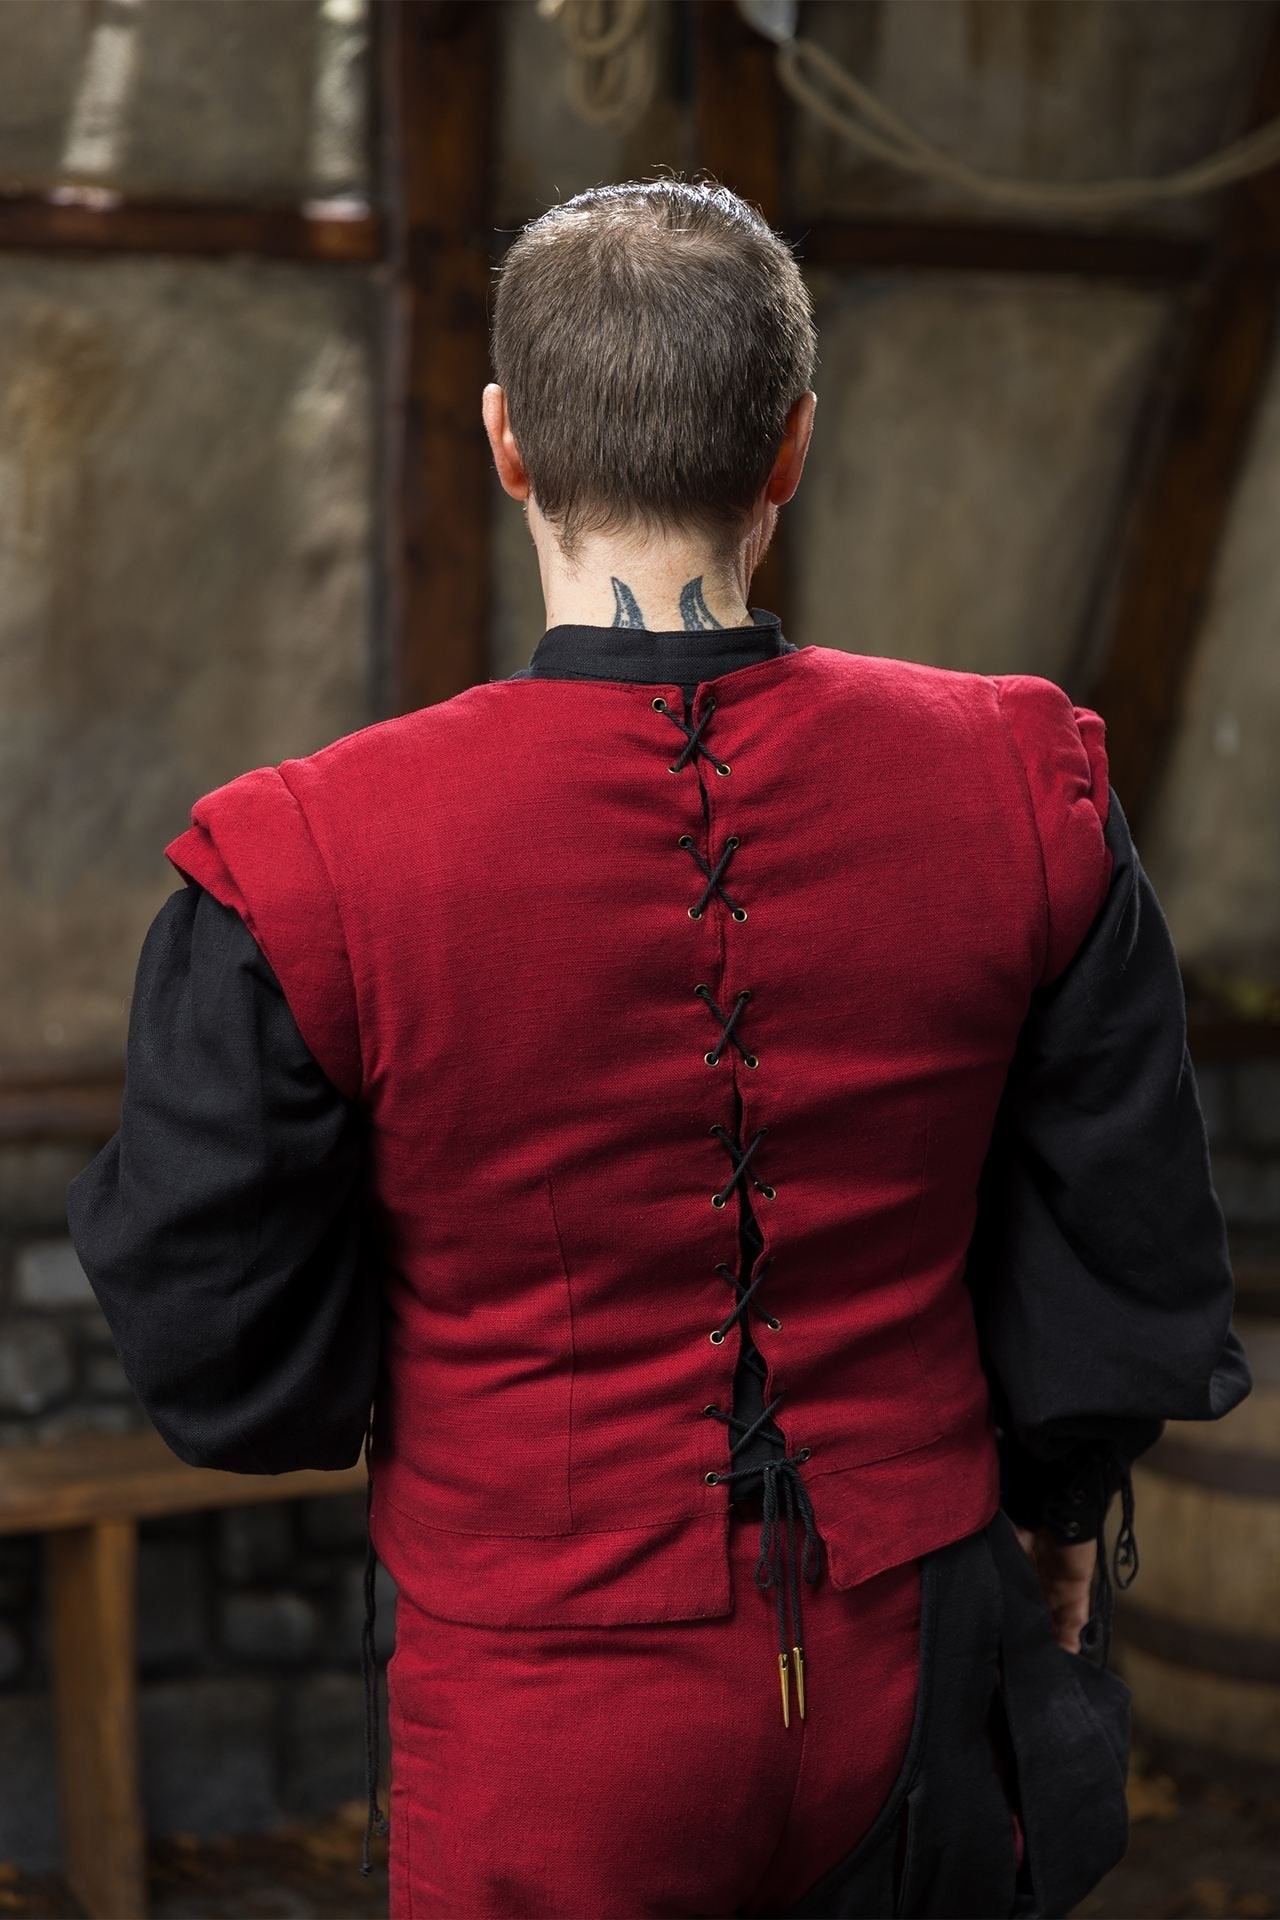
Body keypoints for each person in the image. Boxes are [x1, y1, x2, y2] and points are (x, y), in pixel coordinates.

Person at [67, 177, 1251, 1919]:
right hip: (919, 1658)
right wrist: (1061, 1512)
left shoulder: (308, 857)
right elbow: (1122, 1218)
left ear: (507, 442)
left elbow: (213, 1328)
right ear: (792, 446)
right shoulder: (1026, 781)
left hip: (544, 1705)